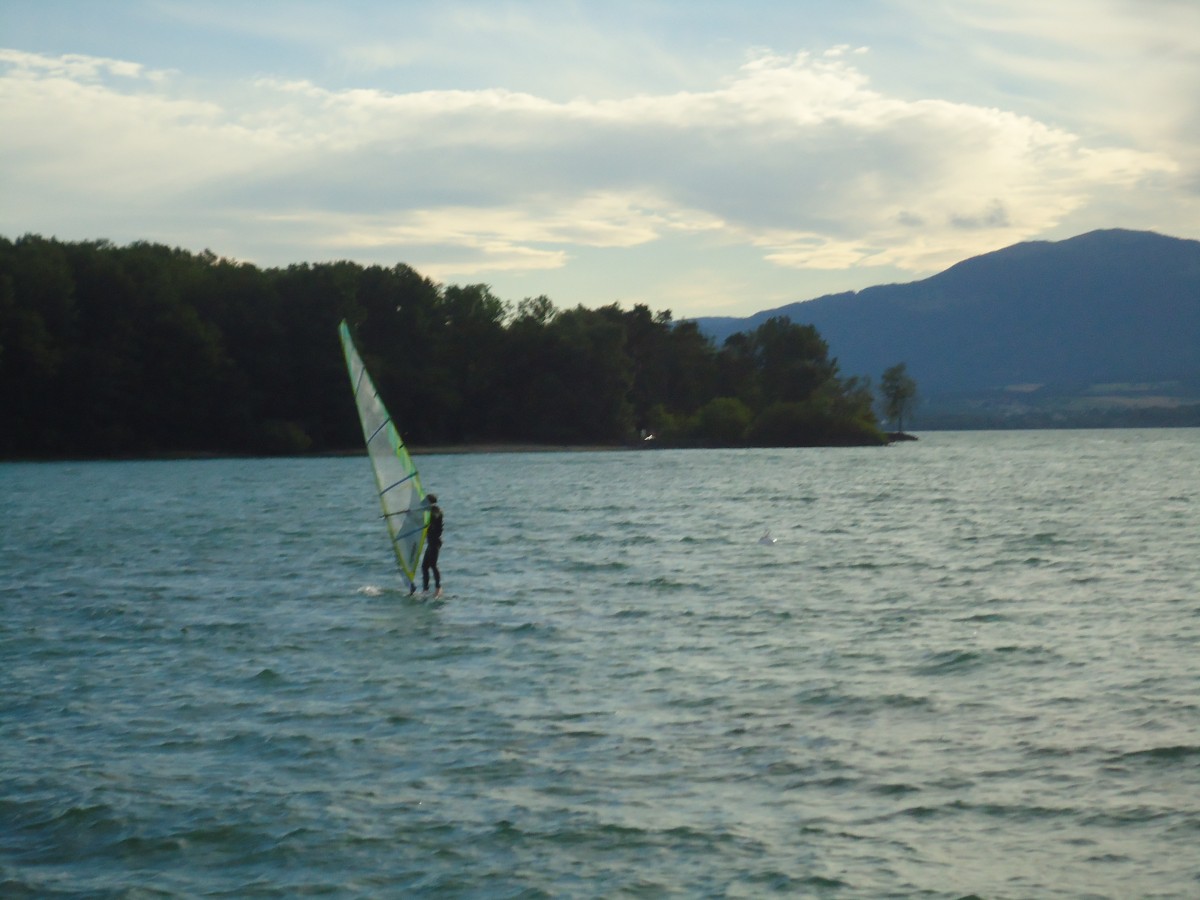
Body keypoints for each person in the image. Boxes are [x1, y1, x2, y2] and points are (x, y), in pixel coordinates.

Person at [422, 493, 443, 596]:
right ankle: (425, 590)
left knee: (433, 565)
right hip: (430, 543)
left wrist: (428, 511)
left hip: (435, 542)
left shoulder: (437, 511)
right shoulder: (428, 511)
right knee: (424, 566)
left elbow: (434, 516)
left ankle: (438, 589)